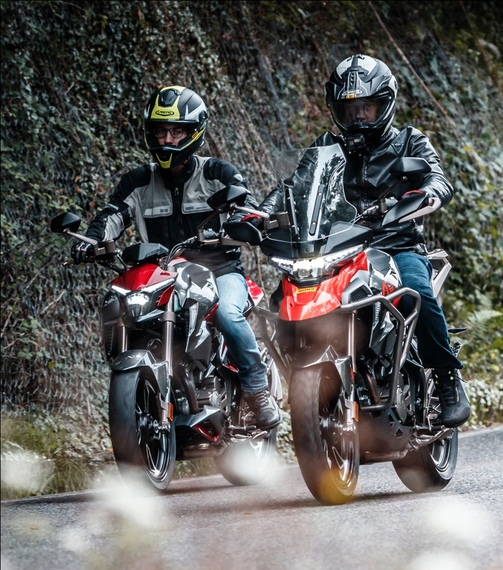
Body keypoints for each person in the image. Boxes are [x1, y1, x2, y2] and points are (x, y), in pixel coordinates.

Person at [258, 54, 470, 427]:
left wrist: (426, 194)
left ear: (384, 104)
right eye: (349, 109)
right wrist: (262, 212)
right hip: (338, 250)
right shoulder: (327, 146)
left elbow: (438, 178)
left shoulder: (409, 141)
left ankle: (447, 380)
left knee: (416, 292)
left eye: (366, 108)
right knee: (282, 300)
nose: (358, 117)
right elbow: (294, 186)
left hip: (396, 245)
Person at [75, 86, 281, 428]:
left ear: (194, 132)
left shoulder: (217, 174)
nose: (167, 139)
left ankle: (257, 390)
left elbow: (246, 207)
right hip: (163, 275)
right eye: (161, 131)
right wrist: (92, 241)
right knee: (124, 306)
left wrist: (245, 222)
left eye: (177, 131)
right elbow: (112, 215)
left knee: (228, 314)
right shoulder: (138, 181)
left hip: (220, 271)